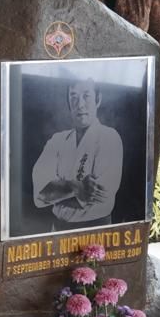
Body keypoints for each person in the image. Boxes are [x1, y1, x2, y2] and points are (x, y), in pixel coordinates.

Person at [32, 76, 123, 231]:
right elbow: (39, 195)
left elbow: (99, 196)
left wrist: (56, 194)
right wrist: (77, 187)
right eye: (73, 97)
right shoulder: (57, 140)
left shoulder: (110, 137)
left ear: (98, 99)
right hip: (57, 230)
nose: (79, 104)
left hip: (96, 231)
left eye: (86, 96)